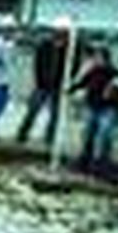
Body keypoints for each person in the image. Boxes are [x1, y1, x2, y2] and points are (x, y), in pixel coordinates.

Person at [69, 44, 118, 174]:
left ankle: (101, 162)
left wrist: (113, 91)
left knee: (103, 136)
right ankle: (84, 160)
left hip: (108, 109)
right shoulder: (93, 72)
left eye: (98, 58)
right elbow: (82, 83)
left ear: (105, 59)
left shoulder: (117, 74)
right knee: (88, 134)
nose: (96, 60)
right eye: (95, 58)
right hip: (92, 106)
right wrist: (70, 89)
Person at [16, 16, 69, 146]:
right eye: (59, 31)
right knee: (33, 110)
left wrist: (67, 81)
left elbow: (73, 65)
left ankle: (49, 137)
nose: (60, 34)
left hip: (58, 85)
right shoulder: (45, 45)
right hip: (42, 84)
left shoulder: (70, 48)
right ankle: (22, 134)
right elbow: (37, 64)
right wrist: (39, 80)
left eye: (64, 32)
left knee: (55, 114)